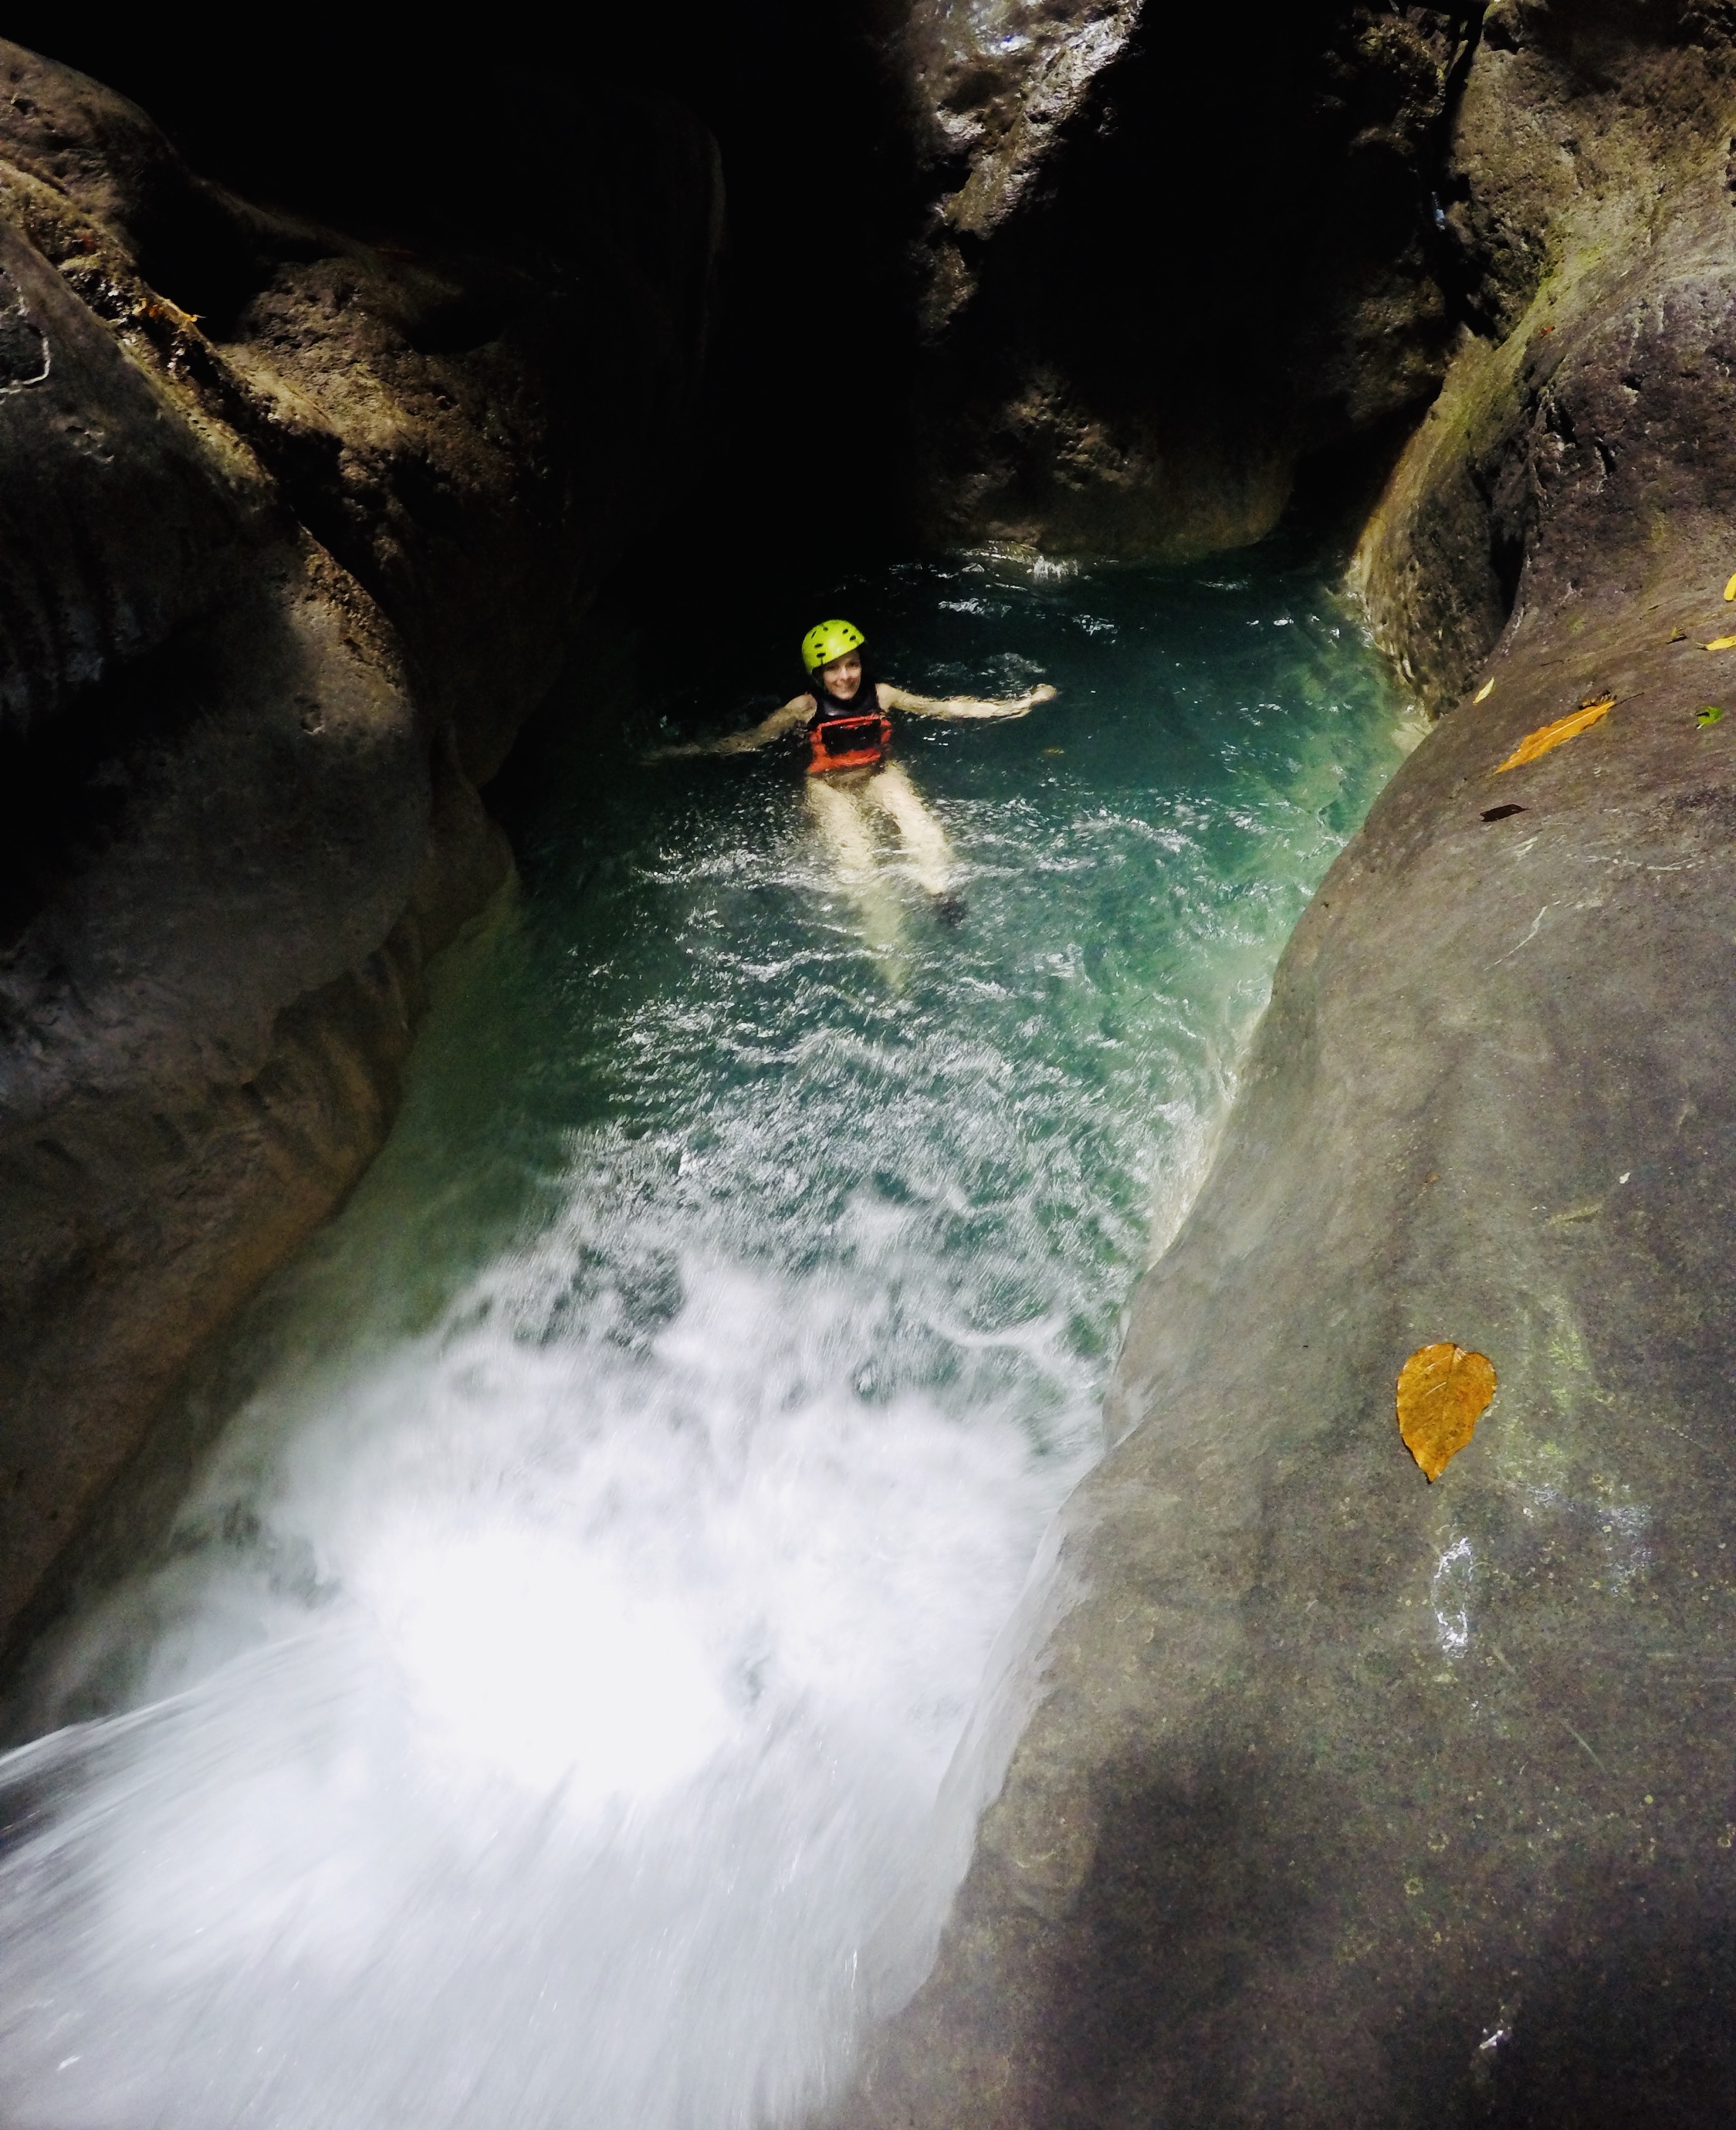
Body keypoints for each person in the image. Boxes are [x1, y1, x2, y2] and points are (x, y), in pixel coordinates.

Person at [649, 618, 1056, 919]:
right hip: (828, 786)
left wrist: (1020, 704)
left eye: (852, 664)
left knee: (924, 830)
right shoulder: (803, 708)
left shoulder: (884, 694)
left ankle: (940, 896)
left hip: (879, 774)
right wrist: (679, 752)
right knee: (859, 863)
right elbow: (749, 741)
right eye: (833, 668)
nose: (845, 676)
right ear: (818, 674)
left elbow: (946, 707)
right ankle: (887, 938)